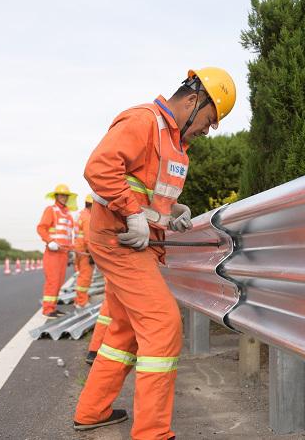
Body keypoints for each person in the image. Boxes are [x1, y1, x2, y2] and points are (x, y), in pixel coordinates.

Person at [73, 67, 236, 439]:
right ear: (193, 101)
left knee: (124, 330)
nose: (208, 130)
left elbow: (148, 193)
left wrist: (171, 213)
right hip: (119, 239)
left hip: (136, 241)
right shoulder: (144, 120)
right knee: (163, 325)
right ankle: (152, 434)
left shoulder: (176, 143)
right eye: (210, 120)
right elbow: (99, 169)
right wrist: (133, 214)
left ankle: (92, 410)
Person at [36, 183, 76, 318]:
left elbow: (68, 235)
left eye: (66, 195)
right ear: (56, 196)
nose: (64, 197)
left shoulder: (68, 214)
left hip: (63, 253)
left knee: (59, 282)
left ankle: (52, 307)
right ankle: (47, 309)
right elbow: (41, 228)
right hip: (52, 252)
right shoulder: (51, 210)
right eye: (61, 195)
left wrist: (72, 249)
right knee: (52, 281)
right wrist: (50, 241)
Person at [74, 194, 94, 309]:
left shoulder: (81, 214)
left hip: (79, 249)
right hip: (85, 250)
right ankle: (82, 302)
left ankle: (78, 299)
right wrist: (92, 252)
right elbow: (88, 237)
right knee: (85, 277)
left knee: (82, 275)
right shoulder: (88, 217)